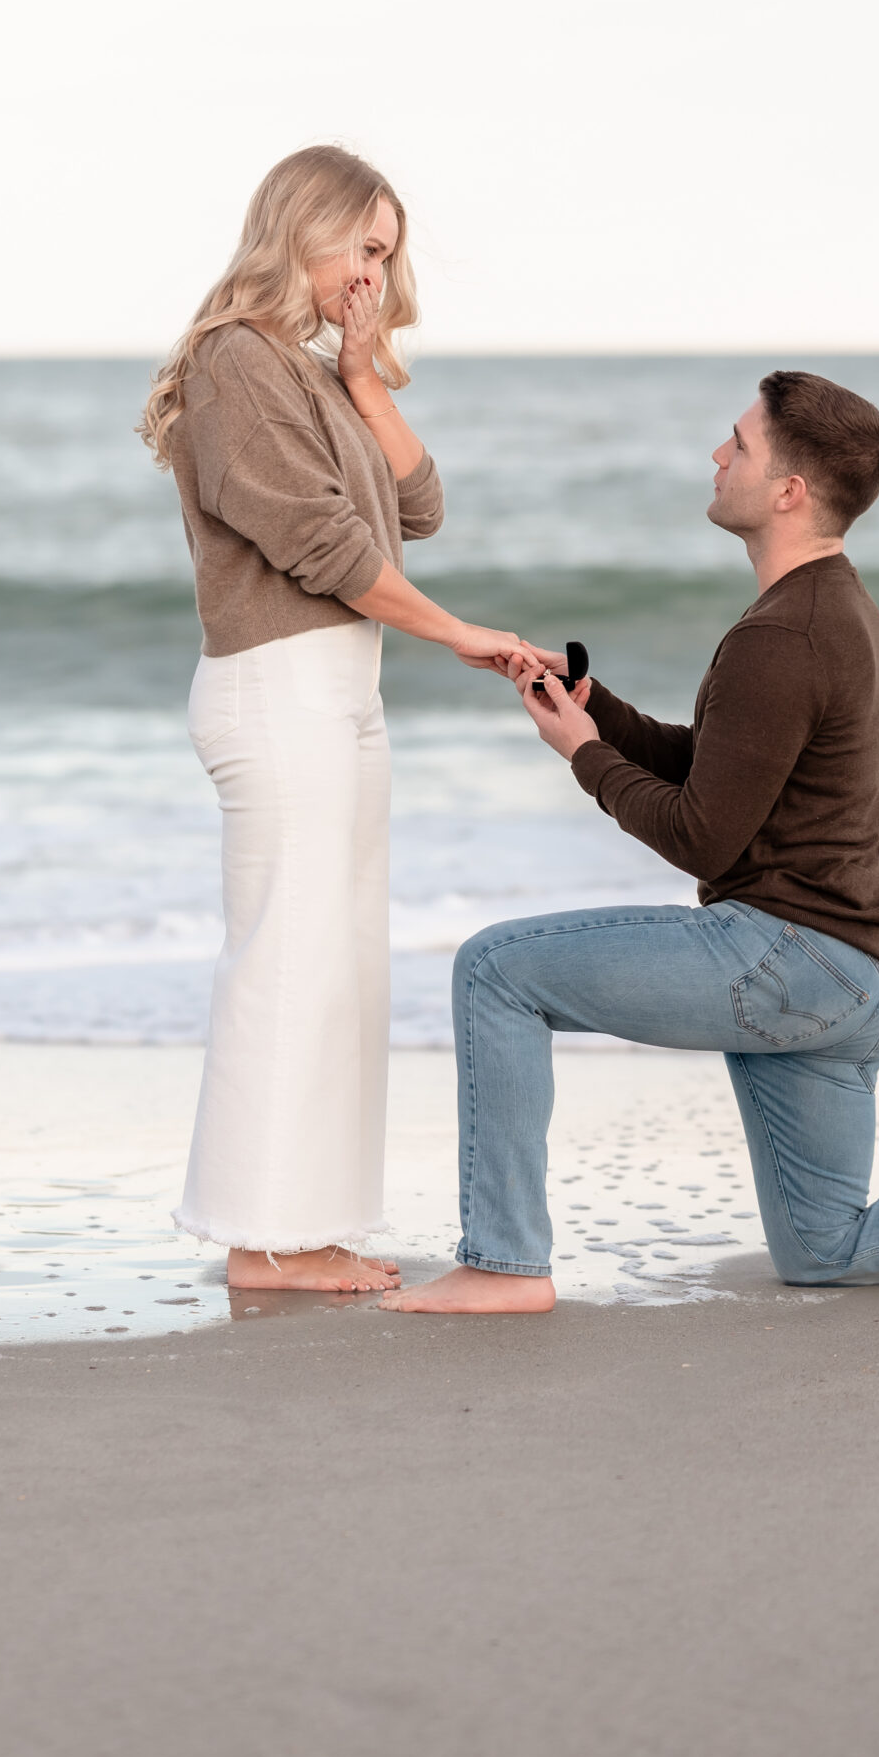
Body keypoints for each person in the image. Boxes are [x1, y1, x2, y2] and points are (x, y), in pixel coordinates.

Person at [381, 368, 879, 1316]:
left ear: (787, 490)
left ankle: (503, 1265)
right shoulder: (831, 608)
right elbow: (720, 767)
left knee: (497, 970)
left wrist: (583, 757)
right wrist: (596, 710)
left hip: (786, 960)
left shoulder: (783, 635)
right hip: (856, 981)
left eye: (738, 445)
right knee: (825, 1250)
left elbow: (703, 836)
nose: (717, 455)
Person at [140, 146, 538, 1293]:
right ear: (298, 230)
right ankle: (260, 1240)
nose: (373, 273)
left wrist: (366, 372)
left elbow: (418, 504)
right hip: (276, 692)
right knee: (286, 960)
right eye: (360, 248)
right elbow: (321, 545)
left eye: (385, 255)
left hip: (337, 691)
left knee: (337, 965)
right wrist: (455, 631)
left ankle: (302, 1223)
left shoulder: (311, 372)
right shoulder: (234, 363)